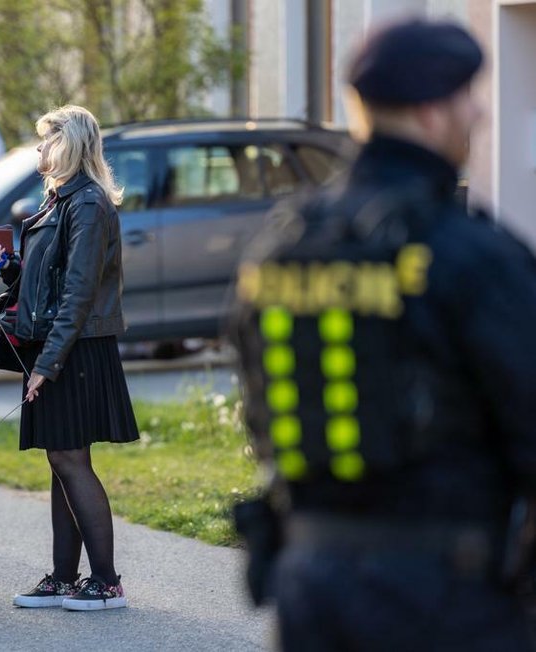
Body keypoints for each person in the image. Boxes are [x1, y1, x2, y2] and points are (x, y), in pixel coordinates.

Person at [231, 19, 536, 650]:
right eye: (466, 96)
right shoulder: (468, 253)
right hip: (449, 598)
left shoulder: (282, 248)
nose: (478, 111)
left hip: (311, 590)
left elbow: (260, 411)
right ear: (432, 113)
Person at [0, 105, 139, 611]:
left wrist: (48, 366)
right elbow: (45, 282)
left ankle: (106, 581)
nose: (39, 150)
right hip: (57, 343)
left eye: (45, 140)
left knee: (71, 458)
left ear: (67, 143)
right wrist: (11, 270)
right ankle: (64, 577)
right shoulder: (58, 200)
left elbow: (78, 293)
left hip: (77, 348)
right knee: (60, 457)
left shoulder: (88, 203)